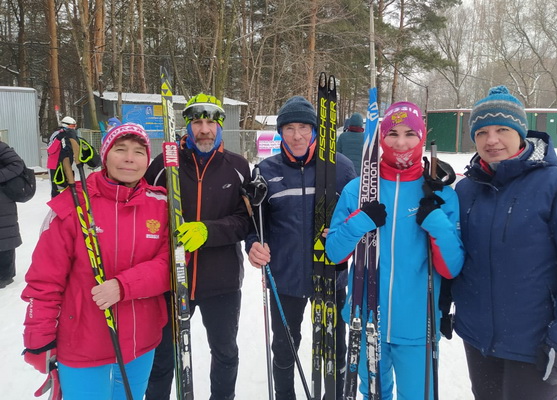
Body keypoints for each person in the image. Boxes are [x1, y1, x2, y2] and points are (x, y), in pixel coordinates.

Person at [452, 85, 557, 399]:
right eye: (482, 132)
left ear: (521, 132)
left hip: (537, 344)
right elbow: (456, 256)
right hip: (478, 340)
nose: (491, 140)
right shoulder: (466, 190)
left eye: (502, 129)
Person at [325, 101, 464, 400]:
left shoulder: (440, 194)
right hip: (366, 318)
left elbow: (451, 267)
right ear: (381, 138)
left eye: (410, 134)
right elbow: (334, 253)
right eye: (393, 134)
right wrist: (360, 221)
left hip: (417, 324)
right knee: (374, 395)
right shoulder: (358, 189)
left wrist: (436, 222)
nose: (401, 142)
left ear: (422, 137)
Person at [21, 123, 171, 399]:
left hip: (140, 341)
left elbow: (172, 264)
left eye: (139, 152)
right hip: (82, 343)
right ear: (105, 155)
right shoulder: (73, 203)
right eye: (120, 149)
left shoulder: (161, 205)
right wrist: (38, 337)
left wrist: (123, 286)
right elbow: (45, 279)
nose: (129, 158)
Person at [246, 95, 357, 400]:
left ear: (315, 130)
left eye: (304, 128)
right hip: (285, 279)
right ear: (280, 132)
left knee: (334, 349)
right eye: (289, 128)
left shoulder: (341, 168)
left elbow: (358, 219)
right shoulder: (266, 170)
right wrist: (253, 245)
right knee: (284, 349)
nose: (297, 136)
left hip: (330, 277)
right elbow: (254, 224)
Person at [145, 93, 251, 400]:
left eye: (210, 123)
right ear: (187, 126)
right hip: (171, 279)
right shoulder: (164, 164)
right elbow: (142, 208)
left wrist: (208, 231)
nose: (204, 130)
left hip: (222, 281)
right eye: (197, 123)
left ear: (220, 126)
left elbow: (246, 221)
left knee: (225, 352)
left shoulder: (237, 166)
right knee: (162, 356)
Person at [47, 116, 101, 197]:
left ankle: (68, 201)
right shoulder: (57, 134)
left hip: (67, 164)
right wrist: (59, 138)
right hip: (55, 165)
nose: (74, 128)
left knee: (69, 185)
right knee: (56, 187)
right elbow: (50, 150)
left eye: (75, 126)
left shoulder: (73, 135)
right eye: (72, 126)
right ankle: (55, 202)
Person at [0, 139, 26, 288]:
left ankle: (6, 278)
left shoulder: (1, 147)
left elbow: (17, 164)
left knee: (4, 237)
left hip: (3, 199)